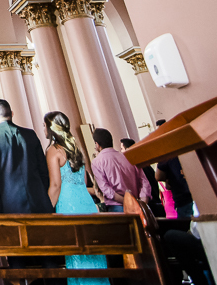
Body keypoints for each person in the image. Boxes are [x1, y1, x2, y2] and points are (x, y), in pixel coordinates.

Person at [46, 112, 108, 285]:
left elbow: (56, 185)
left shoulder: (53, 150)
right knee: (94, 254)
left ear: (51, 128)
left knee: (76, 256)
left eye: (45, 125)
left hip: (68, 204)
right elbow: (85, 180)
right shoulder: (76, 147)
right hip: (86, 203)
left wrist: (46, 210)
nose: (44, 129)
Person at [0, 99, 52, 214]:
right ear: (12, 113)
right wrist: (41, 193)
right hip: (38, 202)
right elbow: (43, 169)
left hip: (8, 203)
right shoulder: (30, 134)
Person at [90, 128, 151, 212]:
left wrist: (127, 201)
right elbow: (144, 181)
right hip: (138, 203)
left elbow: (106, 190)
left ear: (97, 144)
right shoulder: (127, 156)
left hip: (116, 206)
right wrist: (142, 202)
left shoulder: (97, 162)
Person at [152, 121, 194, 219]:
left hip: (182, 197)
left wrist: (167, 178)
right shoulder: (183, 144)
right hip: (192, 192)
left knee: (187, 227)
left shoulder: (167, 152)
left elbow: (158, 176)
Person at [120, 138, 163, 217]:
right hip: (156, 205)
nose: (121, 152)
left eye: (122, 149)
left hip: (150, 207)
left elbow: (146, 186)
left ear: (128, 150)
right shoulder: (144, 164)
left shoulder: (137, 167)